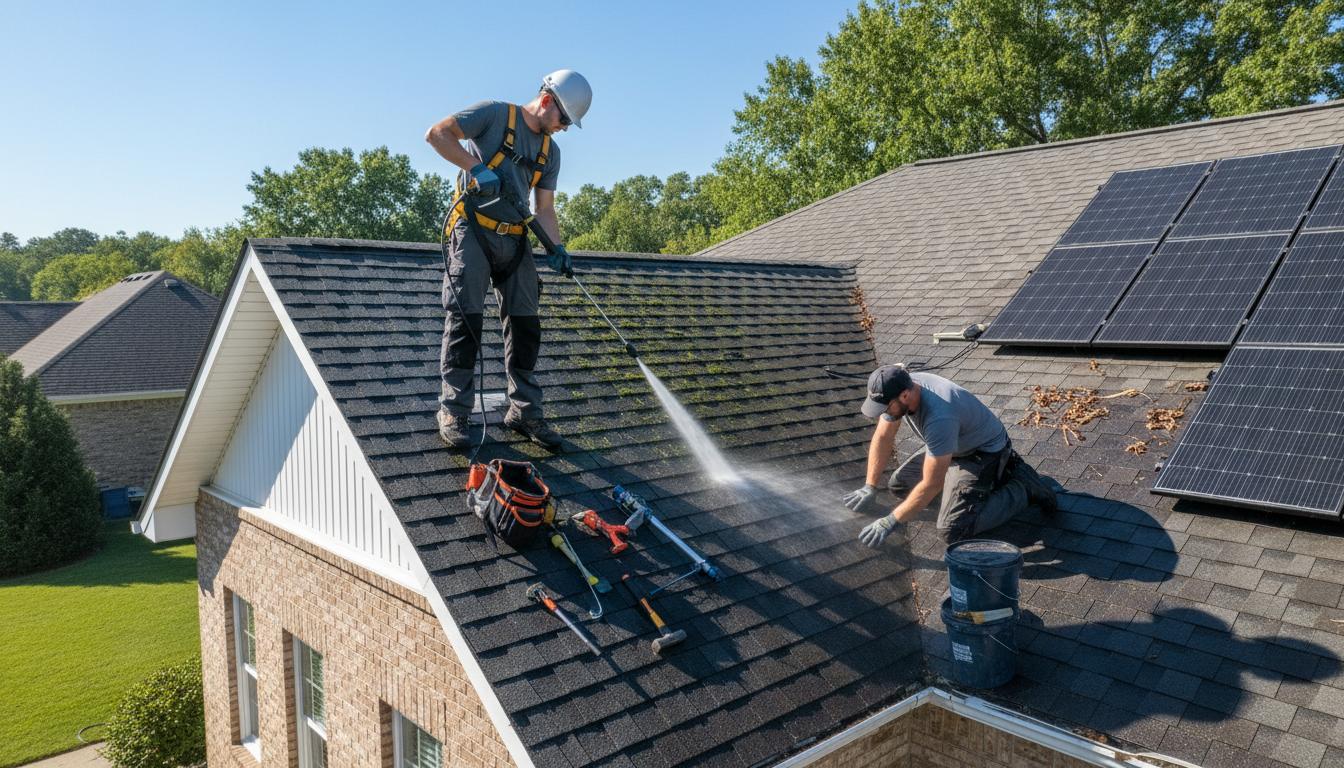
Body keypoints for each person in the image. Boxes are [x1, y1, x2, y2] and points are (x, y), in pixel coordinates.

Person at [424, 70, 592, 450]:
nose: (564, 128)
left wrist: (556, 247)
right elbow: (437, 134)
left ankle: (525, 412)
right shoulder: (494, 114)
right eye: (564, 119)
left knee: (526, 324)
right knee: (465, 319)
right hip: (474, 230)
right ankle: (454, 410)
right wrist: (475, 168)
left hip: (515, 240)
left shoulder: (551, 152)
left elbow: (544, 207)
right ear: (547, 100)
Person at [843, 364, 1057, 547]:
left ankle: (1024, 488)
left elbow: (932, 483)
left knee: (953, 529)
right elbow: (883, 437)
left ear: (905, 396)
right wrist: (869, 486)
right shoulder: (900, 384)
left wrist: (891, 520)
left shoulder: (939, 417)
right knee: (899, 486)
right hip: (952, 449)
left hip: (983, 453)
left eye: (885, 408)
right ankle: (970, 491)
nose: (883, 413)